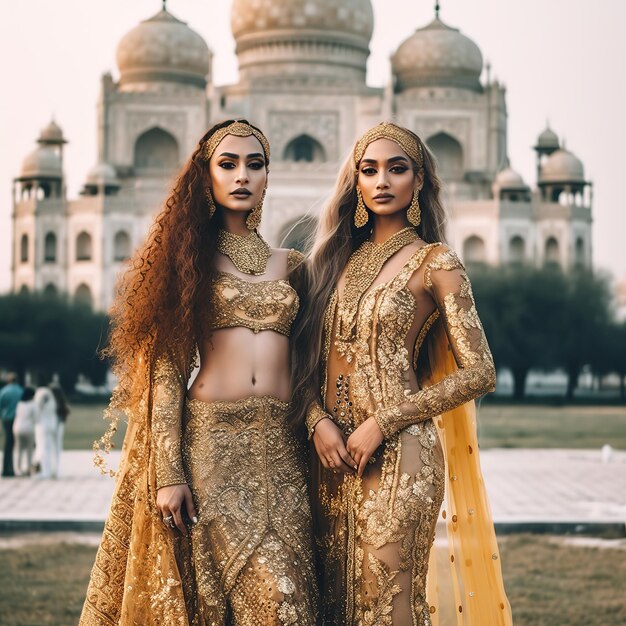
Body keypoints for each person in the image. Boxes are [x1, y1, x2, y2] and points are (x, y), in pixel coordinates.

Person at [80, 120, 318, 625]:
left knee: (289, 599)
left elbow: (308, 366)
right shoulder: (187, 263)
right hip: (211, 446)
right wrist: (168, 474)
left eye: (255, 165)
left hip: (283, 447)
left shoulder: (293, 266)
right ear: (204, 176)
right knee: (217, 597)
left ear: (267, 177)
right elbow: (166, 372)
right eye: (227, 164)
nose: (242, 176)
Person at [291, 123, 512, 625]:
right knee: (331, 603)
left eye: (397, 168)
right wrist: (314, 420)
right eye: (369, 170)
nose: (382, 181)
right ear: (356, 184)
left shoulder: (437, 263)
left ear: (419, 182)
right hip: (327, 454)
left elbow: (481, 372)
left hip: (400, 456)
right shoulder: (330, 262)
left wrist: (384, 422)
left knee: (388, 603)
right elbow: (301, 362)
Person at [33, 386, 59, 479]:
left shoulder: (41, 396)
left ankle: (45, 470)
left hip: (43, 426)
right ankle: (49, 469)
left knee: (43, 449)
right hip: (50, 425)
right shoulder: (51, 399)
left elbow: (37, 411)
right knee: (48, 448)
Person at [0, 373, 23, 477]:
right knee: (13, 444)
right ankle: (11, 469)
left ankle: (6, 469)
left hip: (7, 419)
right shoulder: (20, 391)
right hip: (18, 419)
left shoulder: (4, 391)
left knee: (8, 444)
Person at [13, 386, 37, 476]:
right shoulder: (33, 405)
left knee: (18, 449)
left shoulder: (19, 404)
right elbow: (36, 418)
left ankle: (18, 468)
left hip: (17, 428)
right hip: (28, 429)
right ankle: (28, 468)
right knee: (29, 450)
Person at [49, 383, 70, 471]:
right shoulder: (62, 401)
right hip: (59, 425)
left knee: (51, 446)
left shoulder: (51, 401)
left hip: (52, 425)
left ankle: (51, 467)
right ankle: (56, 467)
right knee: (57, 446)